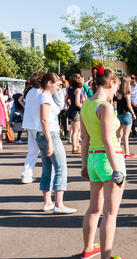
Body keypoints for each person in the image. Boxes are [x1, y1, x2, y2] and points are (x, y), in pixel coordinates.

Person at [80, 65, 128, 259]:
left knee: (94, 208)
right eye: (116, 86)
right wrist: (117, 169)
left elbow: (85, 139)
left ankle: (89, 248)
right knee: (110, 212)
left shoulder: (86, 105)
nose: (117, 91)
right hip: (109, 160)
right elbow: (109, 140)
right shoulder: (105, 107)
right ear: (110, 83)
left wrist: (83, 164)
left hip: (93, 159)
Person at [37, 73, 77, 215]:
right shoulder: (45, 97)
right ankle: (58, 204)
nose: (58, 87)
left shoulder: (44, 96)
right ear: (49, 83)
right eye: (57, 84)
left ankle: (48, 202)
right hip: (50, 135)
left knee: (48, 169)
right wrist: (50, 142)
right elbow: (44, 120)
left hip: (44, 134)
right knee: (61, 168)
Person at [21, 72, 44, 184]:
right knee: (46, 151)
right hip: (38, 125)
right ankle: (47, 174)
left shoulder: (30, 92)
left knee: (32, 151)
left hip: (30, 124)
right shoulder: (42, 93)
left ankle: (27, 174)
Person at [114, 76, 137, 159]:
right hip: (126, 114)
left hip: (119, 114)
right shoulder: (127, 93)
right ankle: (127, 153)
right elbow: (128, 105)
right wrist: (133, 114)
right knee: (126, 135)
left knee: (118, 135)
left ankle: (117, 151)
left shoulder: (117, 92)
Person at [65, 74, 84, 154]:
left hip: (72, 110)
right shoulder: (77, 90)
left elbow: (65, 100)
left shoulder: (69, 89)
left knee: (75, 129)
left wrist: (69, 106)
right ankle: (74, 147)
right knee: (76, 130)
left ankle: (76, 145)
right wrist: (84, 107)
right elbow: (77, 103)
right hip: (76, 111)